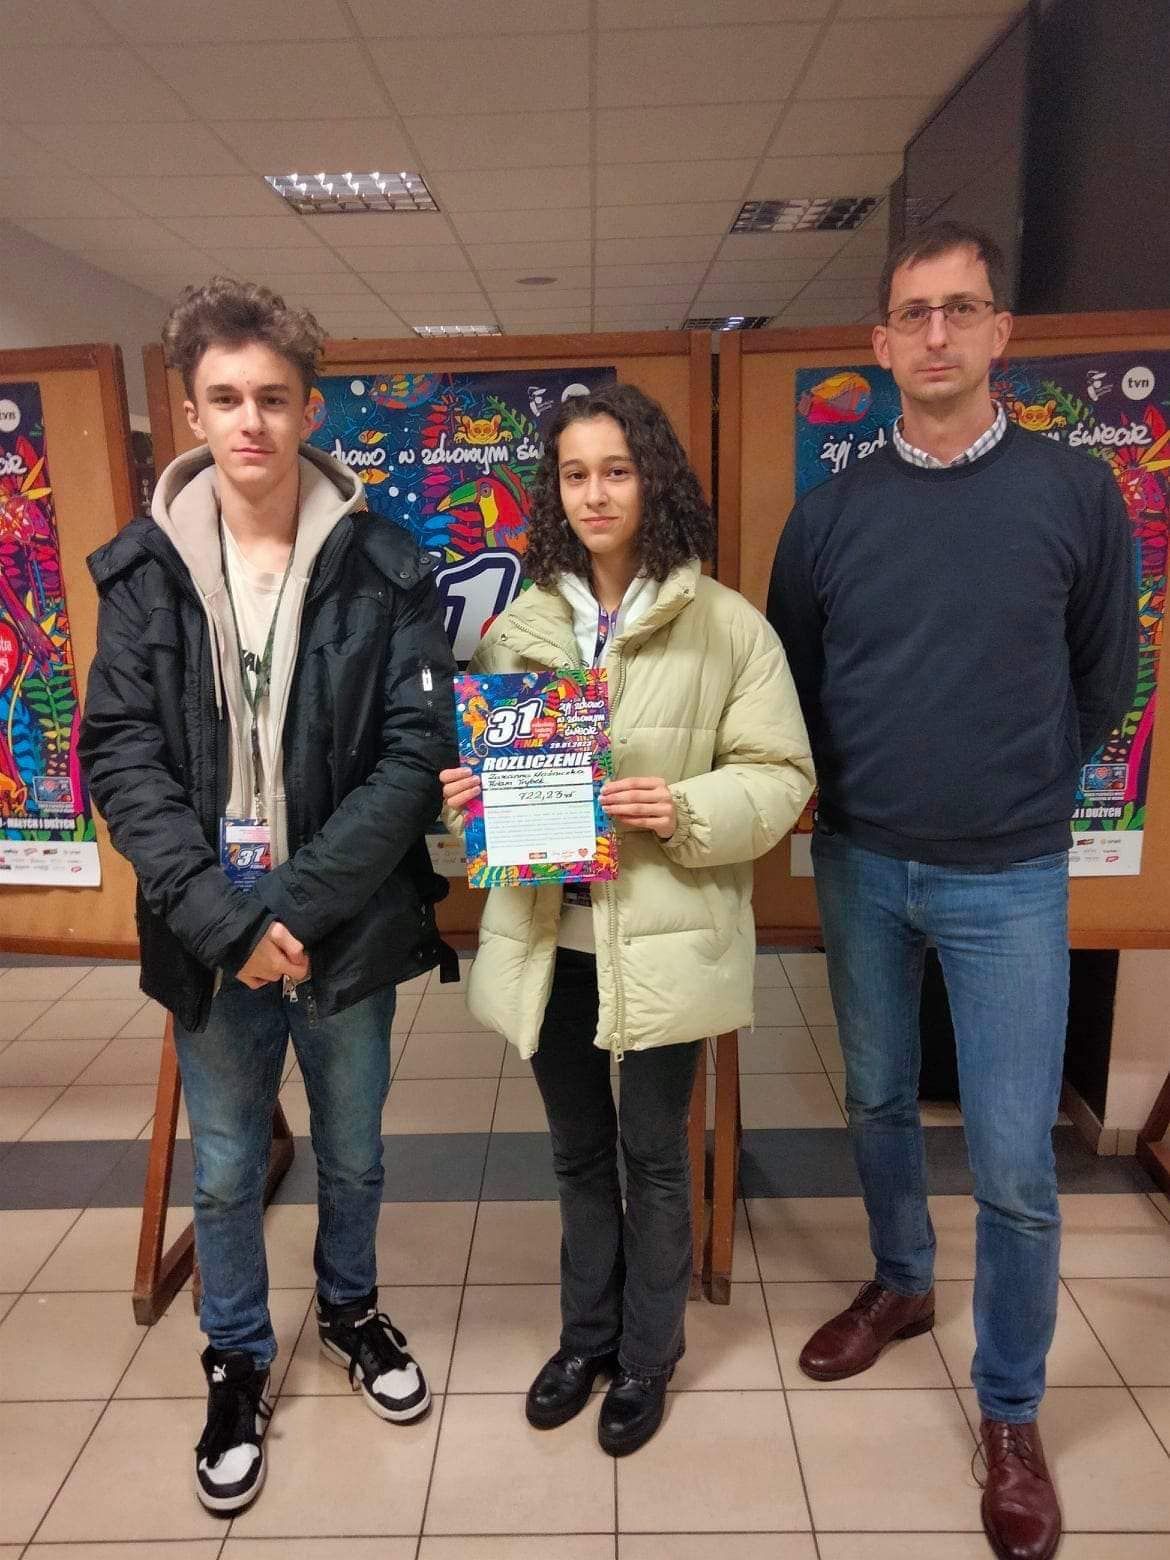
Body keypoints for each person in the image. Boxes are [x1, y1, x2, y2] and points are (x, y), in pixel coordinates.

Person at [767, 221, 1136, 1560]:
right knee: (874, 1098)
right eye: (913, 313)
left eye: (960, 309)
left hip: (1011, 873)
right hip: (861, 859)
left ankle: (1012, 1410)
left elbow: (1106, 678)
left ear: (998, 333)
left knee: (1014, 1161)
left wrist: (1016, 782)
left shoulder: (1074, 494)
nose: (936, 334)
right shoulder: (831, 514)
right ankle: (902, 1282)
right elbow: (792, 685)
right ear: (879, 344)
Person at [79, 278, 458, 1513]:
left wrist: (292, 907)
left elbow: (413, 756)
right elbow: (119, 754)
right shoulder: (144, 574)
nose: (251, 421)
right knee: (229, 1165)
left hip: (343, 916)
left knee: (353, 1148)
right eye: (227, 398)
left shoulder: (385, 566)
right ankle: (236, 1355)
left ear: (309, 410)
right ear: (192, 411)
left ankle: (350, 1309)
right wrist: (231, 922)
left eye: (275, 398)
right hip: (211, 929)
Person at [441, 382, 814, 1456]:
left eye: (617, 470)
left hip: (665, 941)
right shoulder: (520, 629)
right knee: (574, 1152)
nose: (596, 493)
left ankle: (648, 1355)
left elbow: (782, 777)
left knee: (654, 1155)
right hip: (549, 941)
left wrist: (683, 808)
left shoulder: (727, 627)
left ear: (654, 480)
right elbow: (496, 773)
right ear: (554, 491)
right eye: (575, 474)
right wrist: (471, 798)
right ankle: (585, 1337)